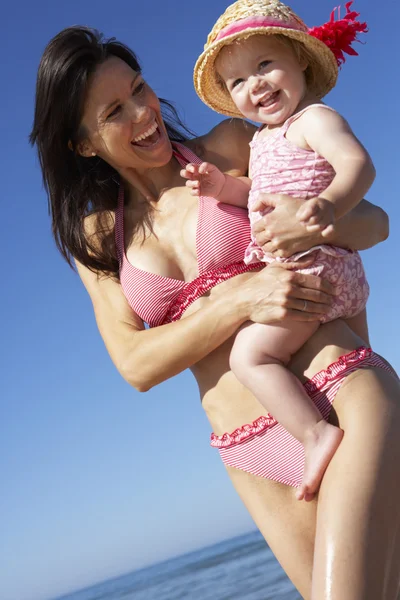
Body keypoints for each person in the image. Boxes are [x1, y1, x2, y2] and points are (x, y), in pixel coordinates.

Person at [29, 24, 400, 600]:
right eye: (114, 111)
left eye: (140, 88)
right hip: (246, 447)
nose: (144, 112)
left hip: (334, 387)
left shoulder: (227, 145)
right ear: (82, 144)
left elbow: (373, 223)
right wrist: (237, 299)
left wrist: (307, 223)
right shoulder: (98, 236)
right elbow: (135, 364)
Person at [183, 0, 373, 501]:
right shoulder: (264, 142)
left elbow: (358, 164)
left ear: (301, 61)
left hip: (316, 267)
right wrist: (221, 186)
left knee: (251, 355)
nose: (256, 85)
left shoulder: (313, 119)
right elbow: (257, 197)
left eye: (265, 65)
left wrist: (330, 205)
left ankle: (315, 436)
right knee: (359, 363)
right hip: (324, 273)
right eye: (238, 81)